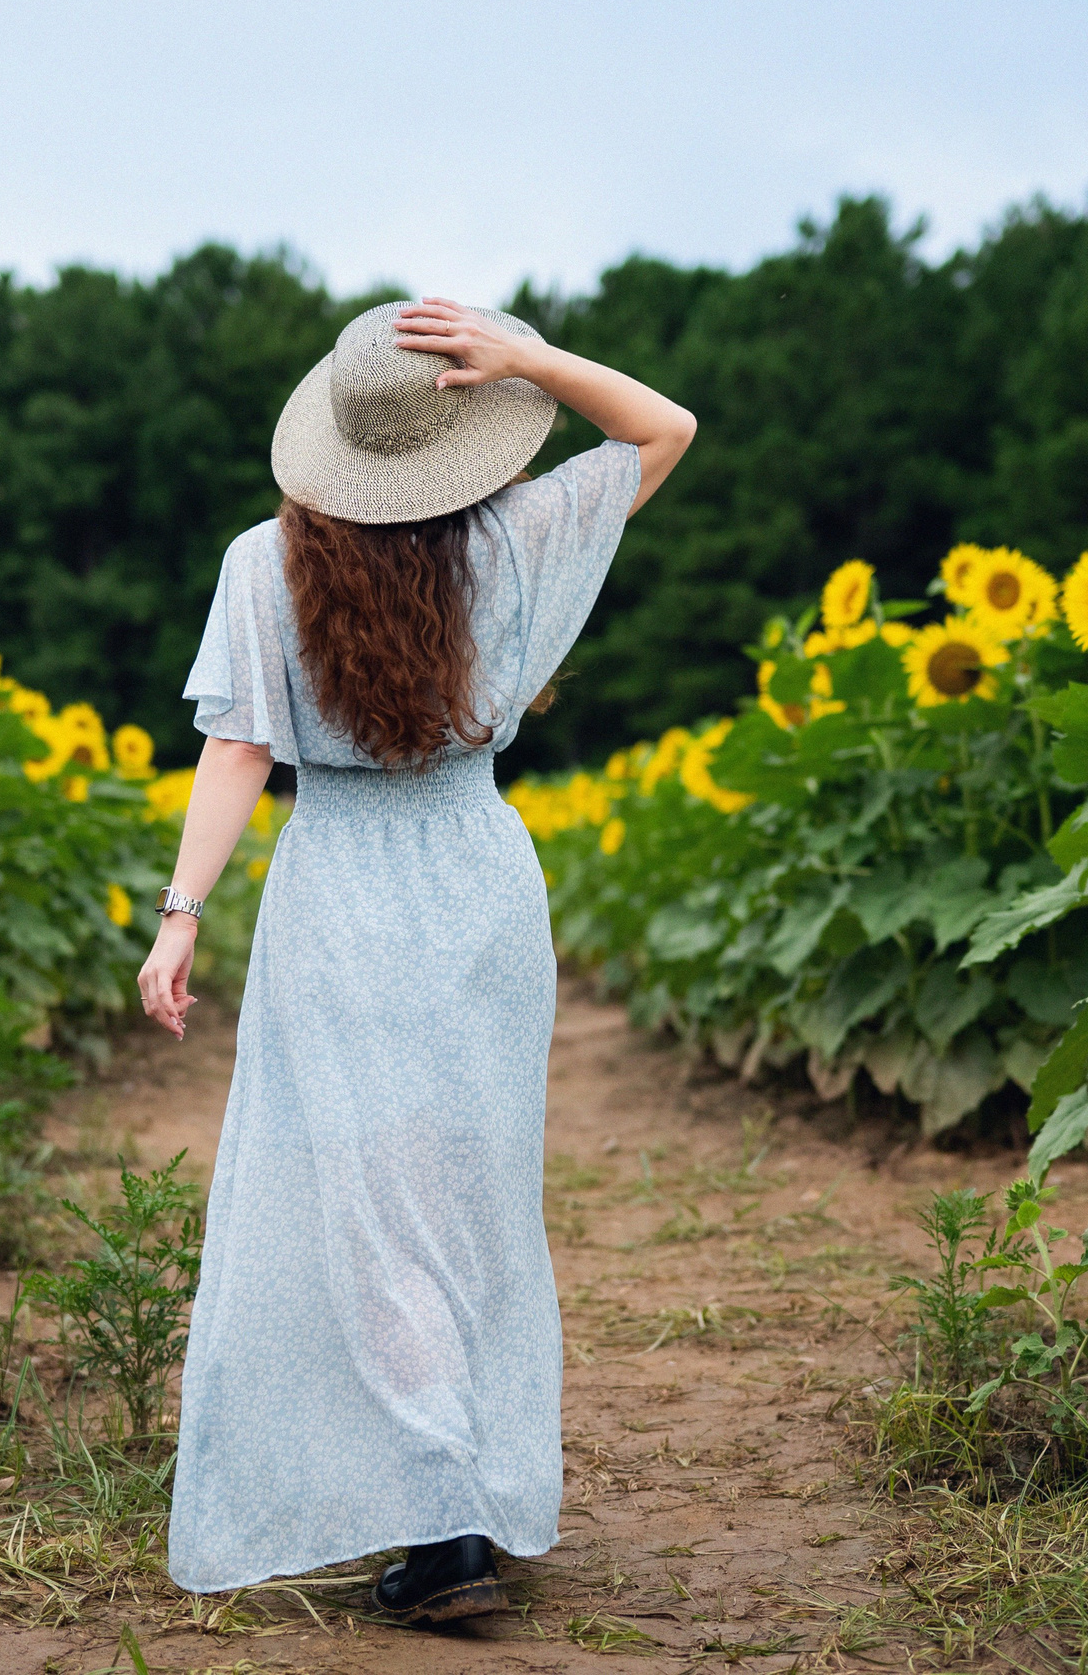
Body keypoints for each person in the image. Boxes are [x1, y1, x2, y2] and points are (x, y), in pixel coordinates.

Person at [136, 297, 695, 1623]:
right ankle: (460, 1499)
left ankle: (442, 1516)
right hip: (478, 878)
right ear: (461, 436)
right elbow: (664, 426)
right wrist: (531, 362)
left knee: (368, 1198)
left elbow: (238, 748)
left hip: (337, 889)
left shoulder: (261, 562)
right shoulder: (520, 534)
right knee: (469, 1187)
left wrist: (180, 913)